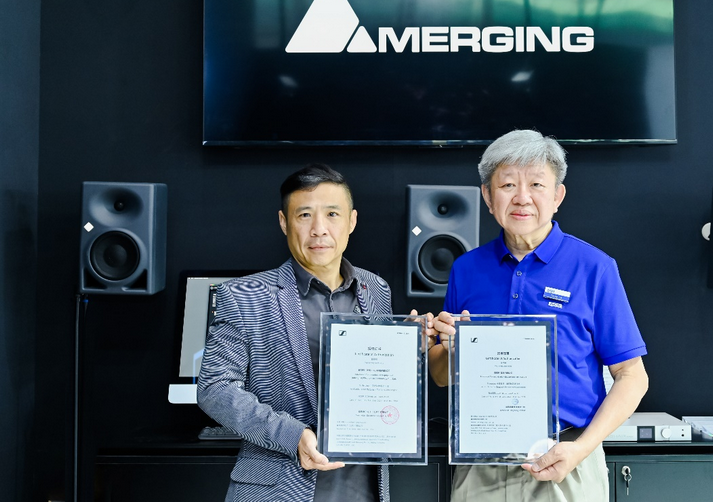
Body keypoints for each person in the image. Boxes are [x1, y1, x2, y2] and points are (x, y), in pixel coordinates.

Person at [428, 130, 649, 501]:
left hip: (566, 458)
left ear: (557, 196)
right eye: (507, 185)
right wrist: (450, 346)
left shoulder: (594, 268)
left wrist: (581, 449)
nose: (522, 197)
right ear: (487, 196)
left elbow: (632, 376)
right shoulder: (466, 269)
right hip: (481, 463)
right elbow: (440, 375)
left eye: (536, 184)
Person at [199, 163, 423, 502]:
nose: (319, 229)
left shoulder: (375, 288)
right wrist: (294, 436)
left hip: (364, 487)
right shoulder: (243, 295)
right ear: (283, 222)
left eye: (332, 214)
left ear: (352, 221)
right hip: (278, 490)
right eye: (304, 215)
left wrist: (408, 350)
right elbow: (214, 388)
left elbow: (377, 382)